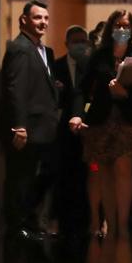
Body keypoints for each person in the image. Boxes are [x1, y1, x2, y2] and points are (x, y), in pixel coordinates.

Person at [69, 9, 132, 238]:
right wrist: (78, 115)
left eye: (126, 25)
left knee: (124, 171)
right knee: (100, 171)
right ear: (110, 28)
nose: (122, 30)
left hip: (128, 120)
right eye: (117, 25)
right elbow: (81, 91)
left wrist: (125, 93)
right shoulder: (99, 55)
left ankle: (120, 226)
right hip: (100, 121)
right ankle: (100, 221)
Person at [0, 0, 59, 237]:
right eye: (37, 17)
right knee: (21, 178)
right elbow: (16, 89)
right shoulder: (20, 47)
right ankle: (17, 226)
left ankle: (29, 222)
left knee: (39, 175)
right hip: (28, 129)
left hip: (43, 128)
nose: (43, 22)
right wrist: (20, 126)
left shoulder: (42, 49)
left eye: (45, 18)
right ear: (24, 20)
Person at [50, 25, 90, 234]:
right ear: (66, 44)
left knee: (87, 175)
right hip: (62, 131)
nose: (80, 45)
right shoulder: (55, 67)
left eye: (83, 40)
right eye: (76, 41)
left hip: (87, 129)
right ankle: (60, 219)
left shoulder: (91, 66)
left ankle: (86, 219)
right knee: (63, 174)